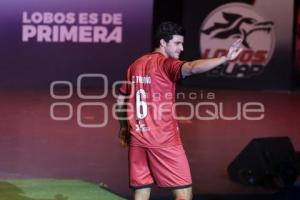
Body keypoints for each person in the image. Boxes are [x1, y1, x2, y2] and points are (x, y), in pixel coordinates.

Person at [116, 21, 242, 200]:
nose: (181, 48)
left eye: (182, 43)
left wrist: (123, 127)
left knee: (141, 192)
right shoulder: (166, 64)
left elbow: (121, 99)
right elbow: (192, 67)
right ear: (163, 43)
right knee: (183, 193)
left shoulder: (135, 65)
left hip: (138, 139)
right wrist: (225, 58)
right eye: (177, 43)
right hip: (164, 141)